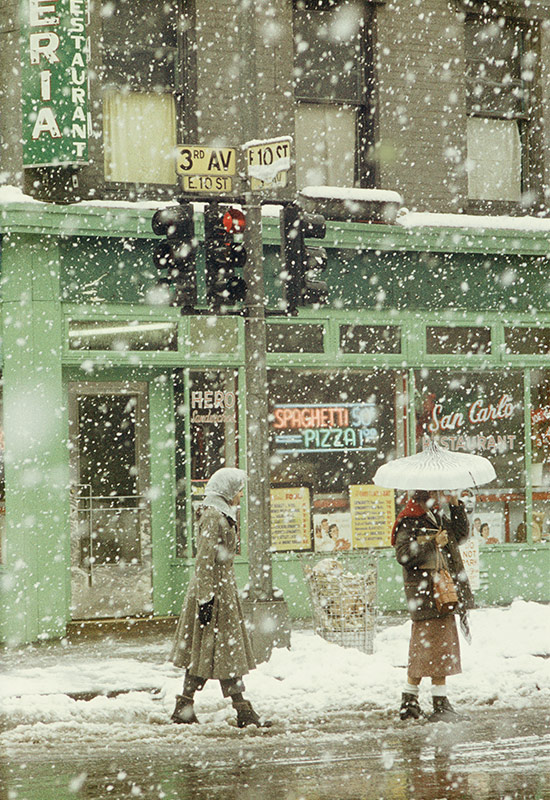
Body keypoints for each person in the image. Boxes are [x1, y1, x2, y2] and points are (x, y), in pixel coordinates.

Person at [170, 467, 271, 728]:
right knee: (221, 650)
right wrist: (205, 599)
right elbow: (204, 561)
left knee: (211, 650)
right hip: (213, 592)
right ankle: (241, 710)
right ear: (226, 490)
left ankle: (186, 706)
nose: (240, 495)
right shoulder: (214, 516)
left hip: (221, 591)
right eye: (238, 490)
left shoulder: (220, 513)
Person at [392, 489, 474, 722]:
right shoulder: (409, 519)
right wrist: (432, 544)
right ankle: (439, 704)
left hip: (440, 592)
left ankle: (410, 702)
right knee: (433, 649)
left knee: (430, 650)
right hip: (427, 593)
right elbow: (404, 555)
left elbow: (459, 534)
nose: (442, 496)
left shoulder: (434, 515)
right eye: (438, 492)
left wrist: (456, 504)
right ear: (426, 494)